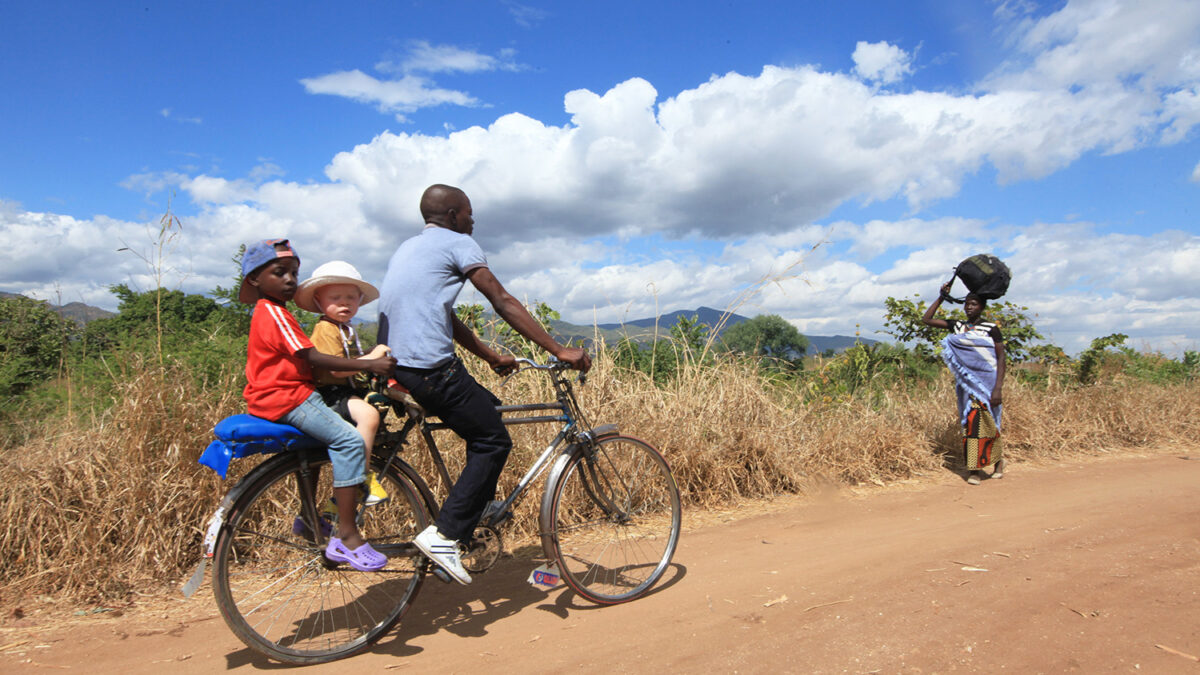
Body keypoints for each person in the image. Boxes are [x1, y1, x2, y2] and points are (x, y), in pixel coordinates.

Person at [377, 184, 591, 585]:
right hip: (431, 369)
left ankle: (469, 513)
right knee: (493, 441)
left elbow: (444, 317)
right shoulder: (458, 243)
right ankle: (445, 535)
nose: (473, 220)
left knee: (488, 410)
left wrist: (490, 356)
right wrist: (558, 348)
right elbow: (502, 299)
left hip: (397, 365)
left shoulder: (409, 248)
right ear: (455, 215)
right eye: (470, 213)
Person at [239, 239, 397, 571]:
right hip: (289, 396)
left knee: (324, 445)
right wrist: (369, 365)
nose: (289, 280)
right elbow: (309, 357)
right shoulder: (274, 313)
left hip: (282, 395)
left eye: (294, 273)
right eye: (279, 273)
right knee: (350, 440)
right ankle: (348, 535)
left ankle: (312, 517)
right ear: (254, 279)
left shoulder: (273, 311)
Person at [294, 260, 392, 506]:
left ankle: (335, 506)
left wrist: (372, 353)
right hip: (330, 392)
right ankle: (361, 479)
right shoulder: (326, 328)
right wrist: (371, 359)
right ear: (319, 301)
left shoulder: (344, 329)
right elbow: (337, 369)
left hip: (341, 391)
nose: (344, 303)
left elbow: (349, 360)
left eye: (351, 297)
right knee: (369, 416)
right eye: (335, 298)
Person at [922, 282, 1007, 485]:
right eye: (967, 303)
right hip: (968, 386)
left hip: (988, 384)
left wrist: (997, 389)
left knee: (991, 424)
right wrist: (942, 296)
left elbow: (1000, 358)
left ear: (982, 307)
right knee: (972, 425)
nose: (969, 307)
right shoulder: (958, 326)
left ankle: (998, 463)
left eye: (974, 304)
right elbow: (927, 319)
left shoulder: (991, 329)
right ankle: (975, 469)